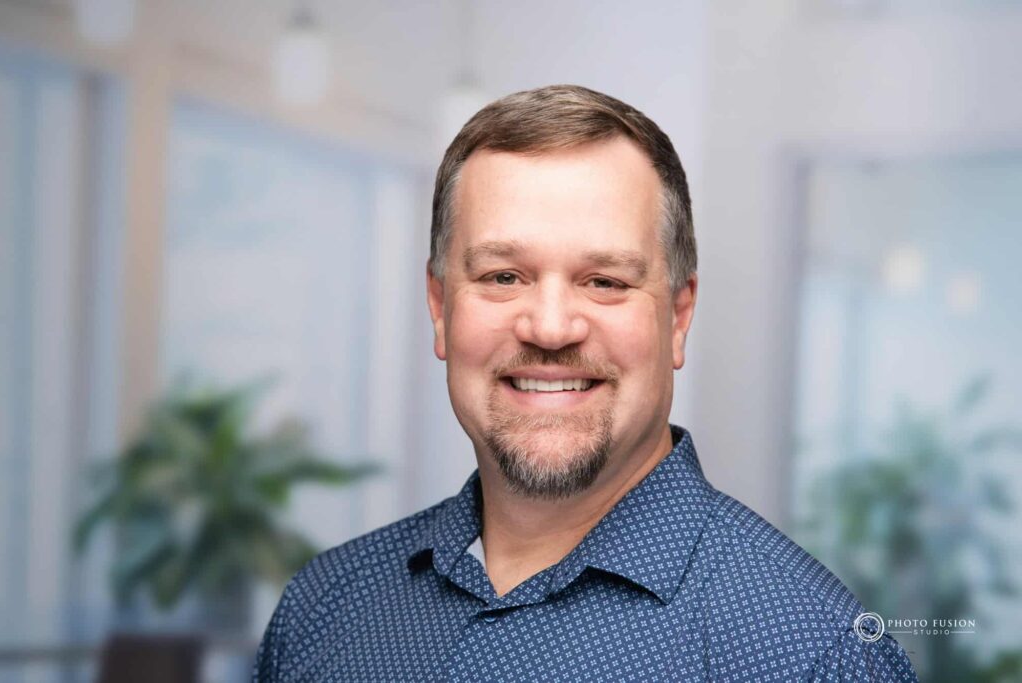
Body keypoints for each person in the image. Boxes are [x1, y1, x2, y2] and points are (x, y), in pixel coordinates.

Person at [254, 85, 918, 682]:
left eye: (604, 281)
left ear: (678, 316)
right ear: (439, 304)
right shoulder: (322, 608)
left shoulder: (813, 654)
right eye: (502, 276)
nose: (549, 327)